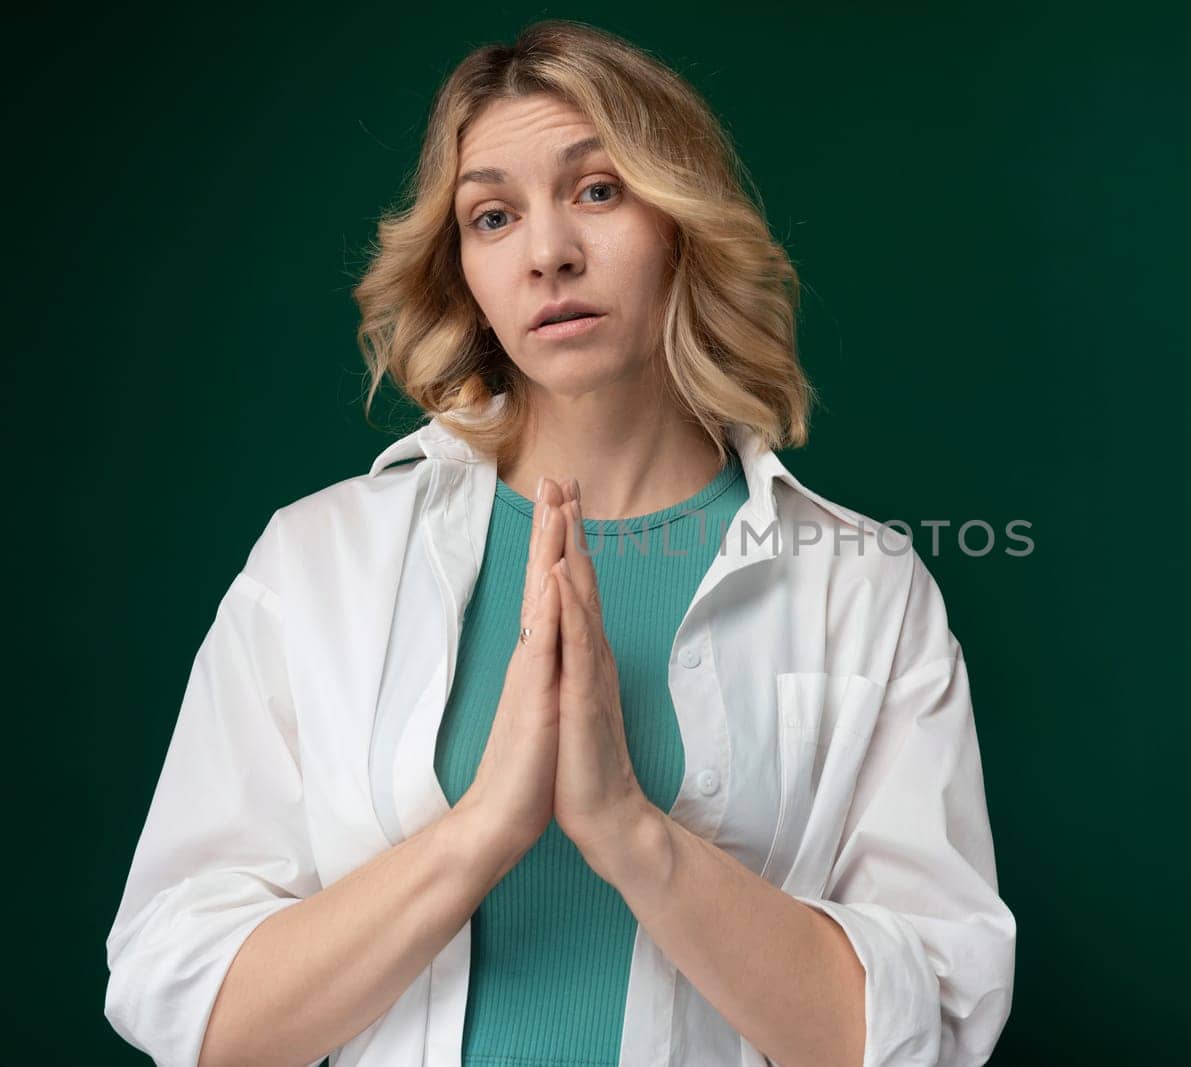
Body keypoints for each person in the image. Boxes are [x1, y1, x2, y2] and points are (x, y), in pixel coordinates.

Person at [103, 18, 1015, 1067]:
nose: (549, 254)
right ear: (465, 271)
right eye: (493, 215)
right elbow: (193, 1006)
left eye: (597, 190)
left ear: (680, 218)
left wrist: (628, 828)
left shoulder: (865, 588)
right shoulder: (318, 563)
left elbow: (926, 1034)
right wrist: (486, 823)